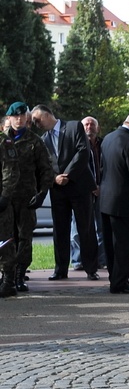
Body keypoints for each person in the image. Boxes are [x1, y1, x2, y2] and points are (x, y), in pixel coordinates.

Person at [31, 104, 99, 281]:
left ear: (46, 114)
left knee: (86, 228)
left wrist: (67, 175)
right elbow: (44, 165)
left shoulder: (73, 126)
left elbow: (82, 152)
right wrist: (55, 179)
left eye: (37, 119)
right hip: (58, 190)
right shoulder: (43, 139)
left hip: (79, 186)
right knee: (60, 231)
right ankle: (60, 270)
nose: (36, 123)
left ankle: (91, 268)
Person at [0, 103, 53, 294]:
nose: (19, 119)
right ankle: (8, 275)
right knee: (7, 237)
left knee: (25, 237)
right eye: (15, 117)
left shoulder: (35, 141)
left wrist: (42, 193)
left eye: (22, 116)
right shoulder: (2, 140)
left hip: (26, 197)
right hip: (6, 198)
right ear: (9, 118)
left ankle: (19, 275)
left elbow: (46, 169)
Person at [99, 113, 129, 294]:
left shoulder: (108, 138)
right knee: (125, 244)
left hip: (106, 200)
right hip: (124, 202)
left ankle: (116, 279)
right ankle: (120, 283)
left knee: (111, 245)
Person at [71, 116, 105, 270]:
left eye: (92, 124)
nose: (89, 127)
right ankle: (78, 261)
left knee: (100, 228)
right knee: (77, 229)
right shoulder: (76, 144)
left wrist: (101, 186)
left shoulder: (103, 144)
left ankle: (99, 260)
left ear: (97, 128)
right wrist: (92, 186)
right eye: (86, 124)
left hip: (102, 190)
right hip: (81, 191)